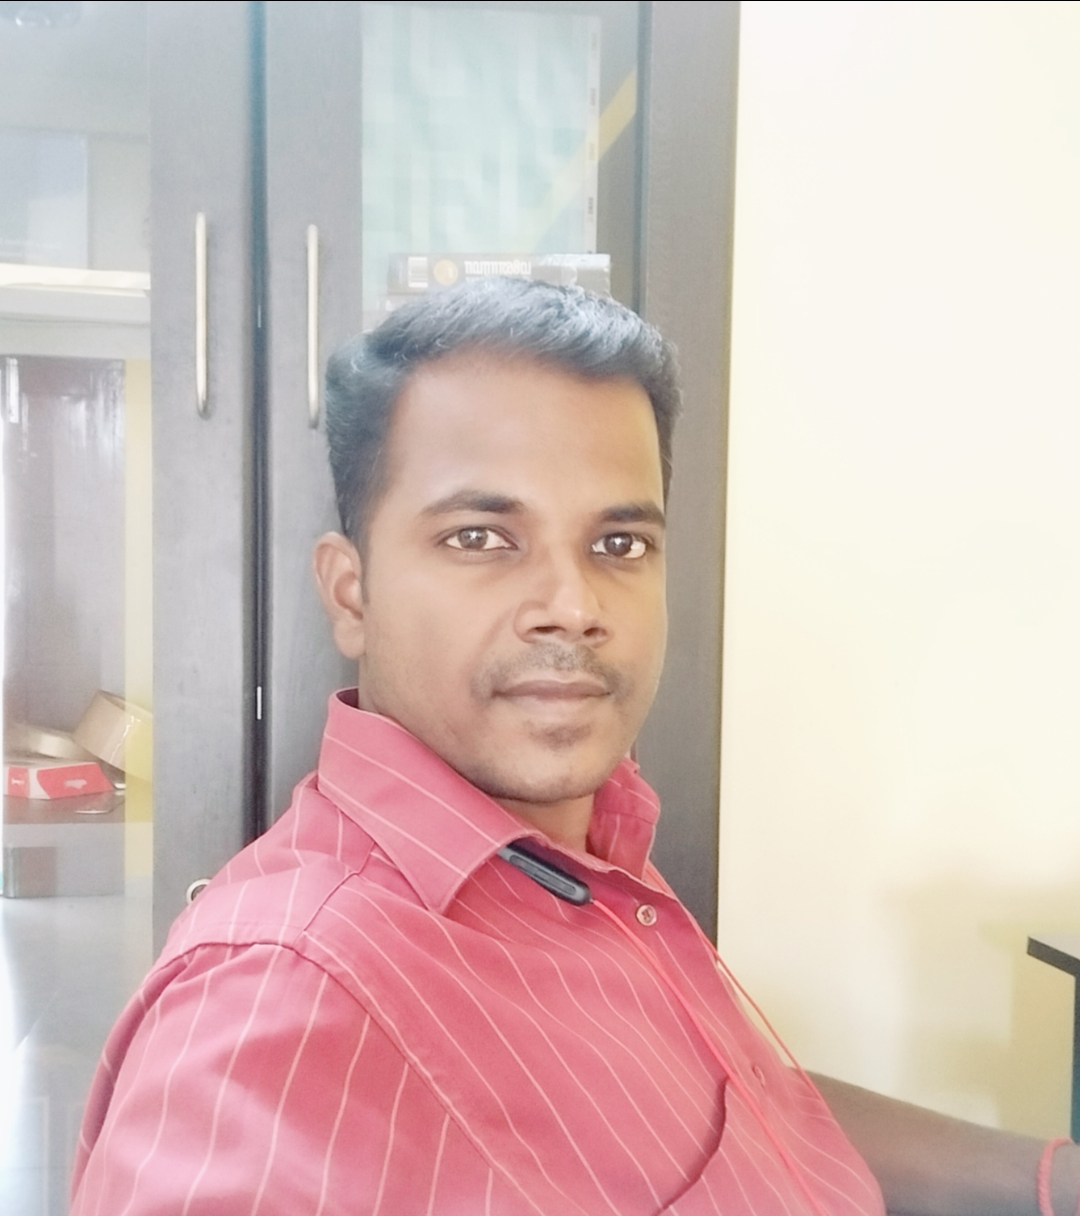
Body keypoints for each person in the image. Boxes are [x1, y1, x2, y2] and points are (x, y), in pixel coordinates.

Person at [71, 279, 1079, 1215]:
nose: (573, 603)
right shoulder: (279, 996)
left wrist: (1050, 1176)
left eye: (618, 544)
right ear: (352, 593)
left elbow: (730, 1104)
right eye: (480, 537)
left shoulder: (588, 848)